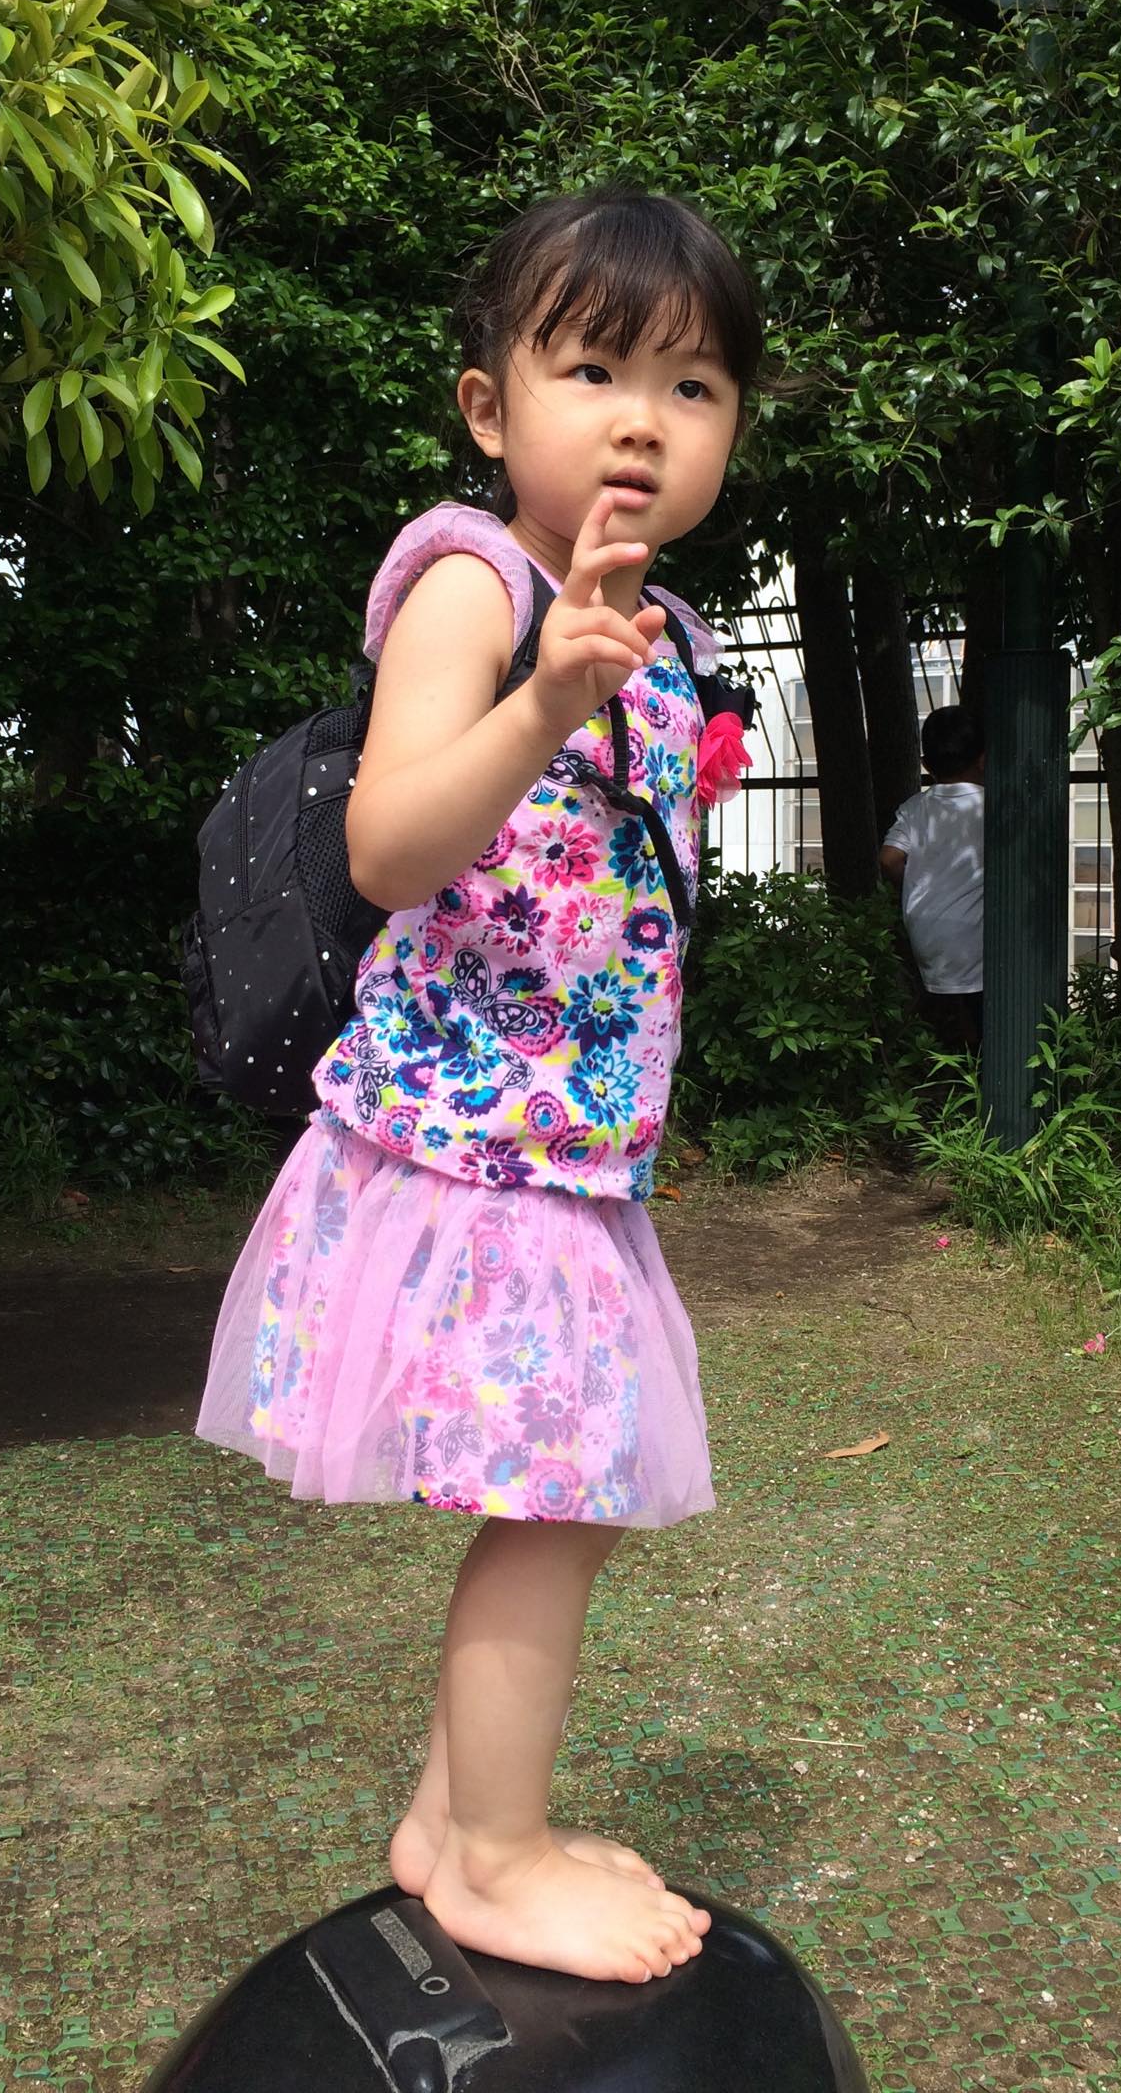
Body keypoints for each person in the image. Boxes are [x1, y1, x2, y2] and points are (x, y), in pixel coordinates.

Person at [195, 188, 762, 1986]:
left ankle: (452, 1824)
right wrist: (539, 704)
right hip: (469, 1156)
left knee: (562, 1491)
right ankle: (497, 1856)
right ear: (488, 407)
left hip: (569, 1158)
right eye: (592, 370)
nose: (641, 422)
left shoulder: (661, 628)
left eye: (692, 387)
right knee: (566, 1495)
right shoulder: (475, 583)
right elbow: (387, 846)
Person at [879, 705, 985, 1052]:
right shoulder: (995, 806)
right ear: (983, 759)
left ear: (926, 764)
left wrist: (915, 886)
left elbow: (889, 858)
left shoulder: (915, 807)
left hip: (927, 933)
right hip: (977, 938)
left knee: (947, 1021)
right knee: (981, 1020)